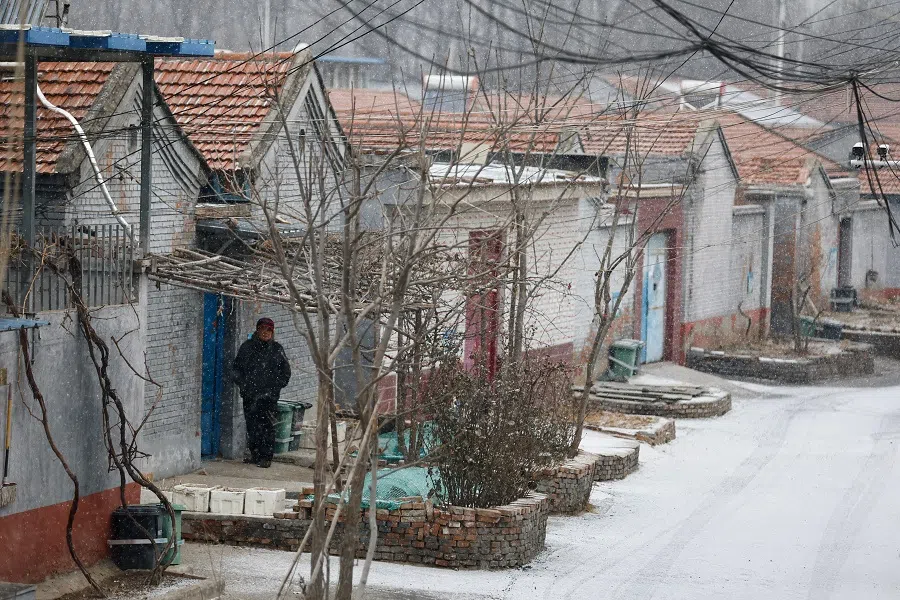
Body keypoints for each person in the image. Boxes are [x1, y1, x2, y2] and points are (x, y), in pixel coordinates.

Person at [231, 317, 291, 468]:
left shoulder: (277, 349)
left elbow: (285, 372)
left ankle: (266, 457)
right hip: (250, 396)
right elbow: (236, 370)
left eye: (269, 330)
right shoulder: (247, 348)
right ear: (257, 330)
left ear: (272, 332)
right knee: (252, 426)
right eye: (263, 329)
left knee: (267, 427)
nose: (265, 333)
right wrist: (244, 386)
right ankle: (255, 454)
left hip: (269, 398)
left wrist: (274, 388)